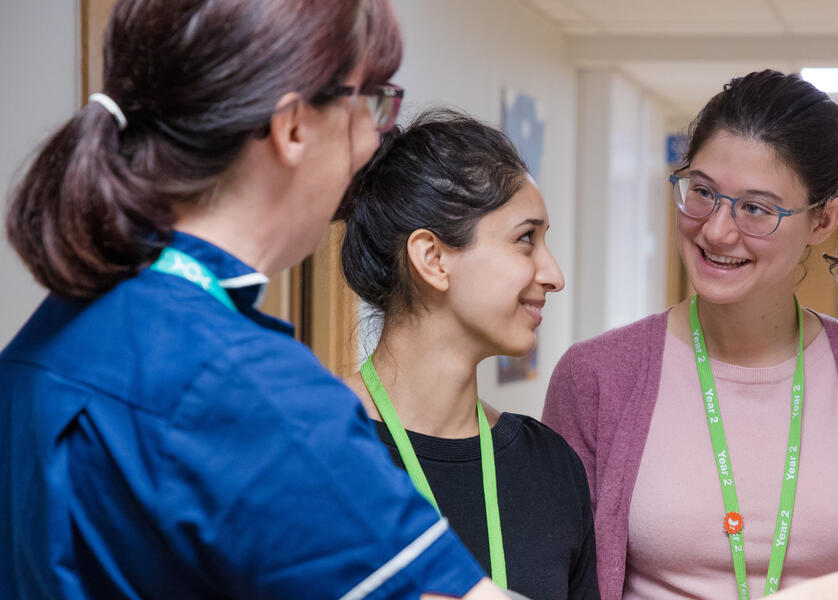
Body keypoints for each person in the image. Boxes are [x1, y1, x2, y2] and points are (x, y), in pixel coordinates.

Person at [0, 1, 511, 598]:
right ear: (293, 126)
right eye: (371, 101)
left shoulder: (45, 341)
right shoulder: (247, 388)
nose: (377, 137)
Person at [543, 70, 838, 599]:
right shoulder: (595, 377)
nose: (716, 231)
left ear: (824, 220)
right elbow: (561, 578)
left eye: (756, 208)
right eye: (703, 192)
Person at [336, 109, 599, 600]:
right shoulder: (311, 449)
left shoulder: (551, 466)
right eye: (526, 240)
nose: (554, 275)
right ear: (433, 259)